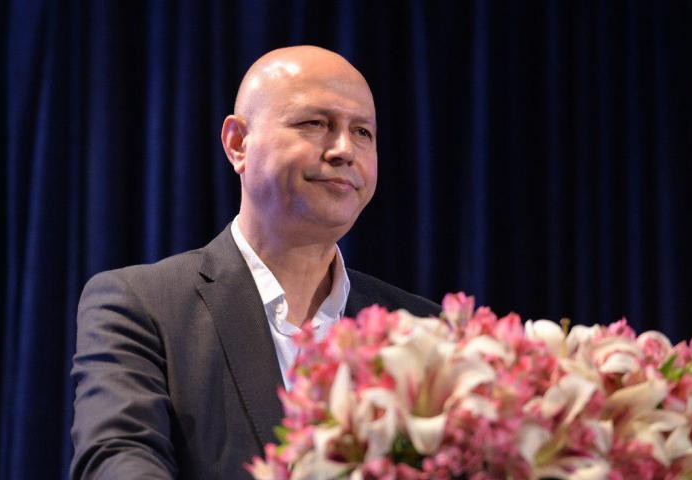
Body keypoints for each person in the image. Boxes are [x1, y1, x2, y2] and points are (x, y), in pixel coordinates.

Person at [70, 45, 439, 479]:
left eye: (362, 132)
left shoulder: (421, 330)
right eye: (315, 123)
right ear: (238, 143)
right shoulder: (142, 306)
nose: (344, 150)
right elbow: (118, 460)